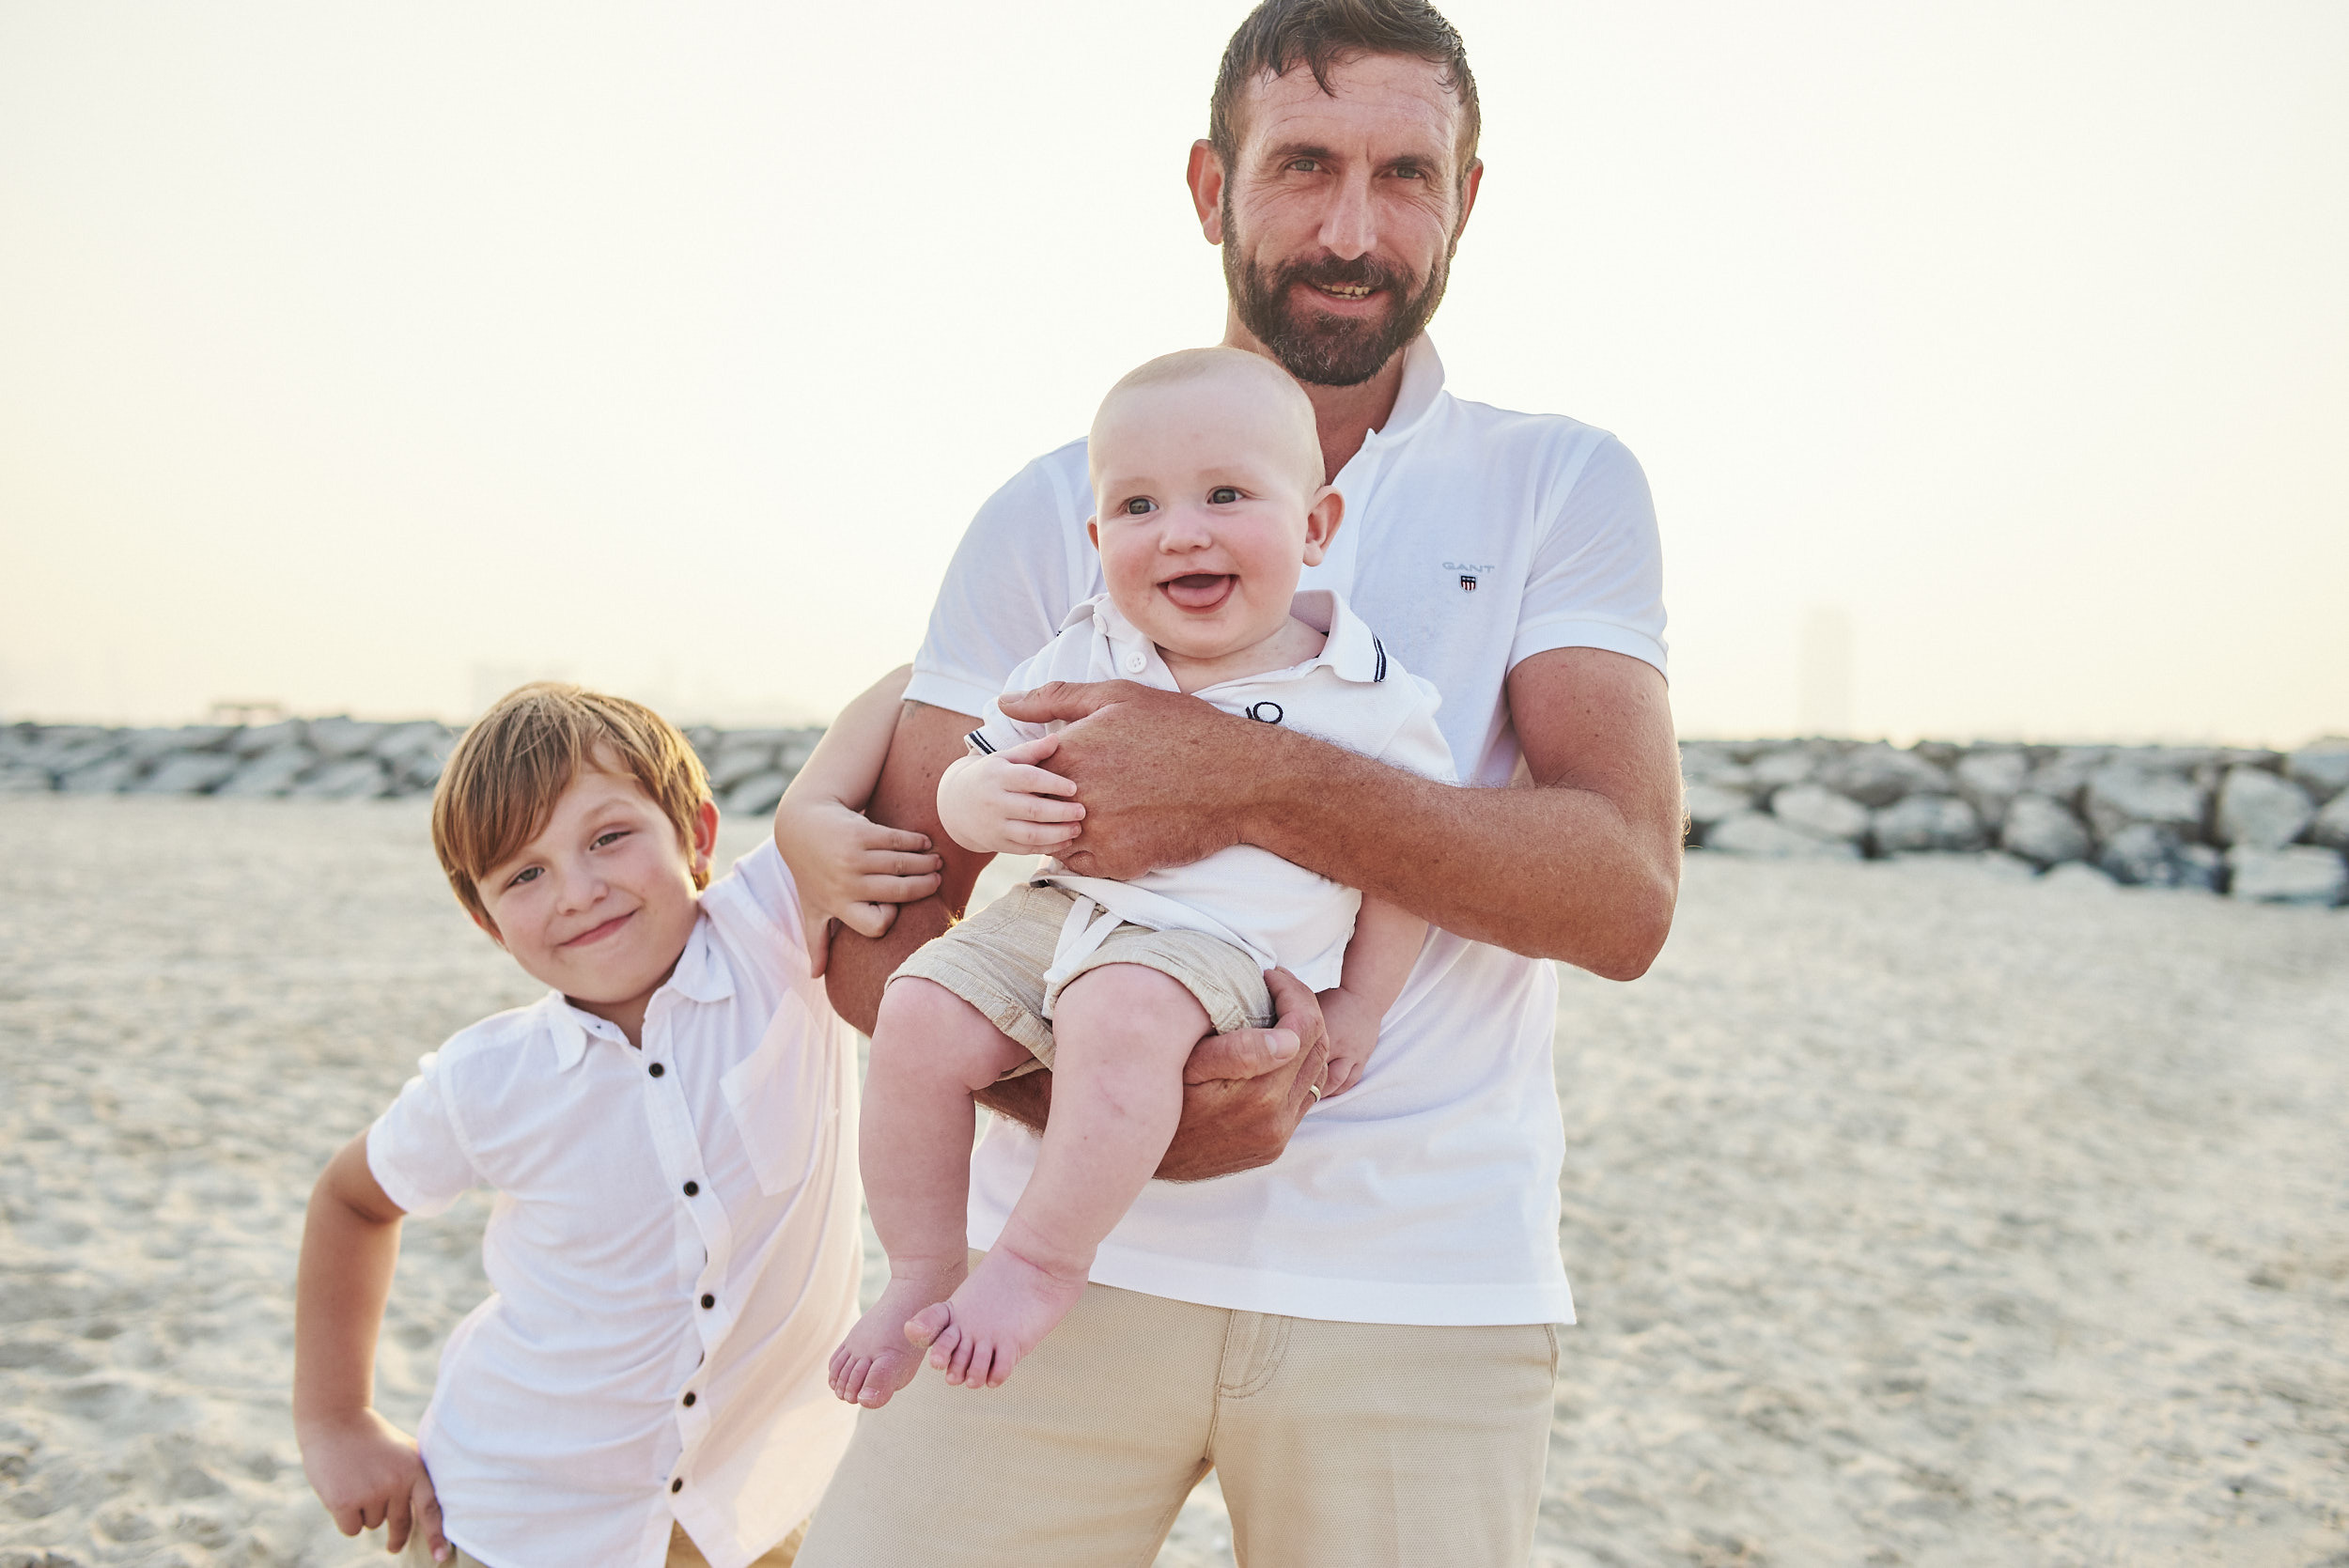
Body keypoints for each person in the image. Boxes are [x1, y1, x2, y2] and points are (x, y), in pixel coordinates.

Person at [784, 2, 1683, 1562]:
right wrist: (1105, 1098)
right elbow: (891, 936)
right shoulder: (1048, 512)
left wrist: (1251, 780)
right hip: (1037, 1275)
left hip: (1419, 1285)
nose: (1353, 227)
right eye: (1304, 167)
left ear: (1469, 196)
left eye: (1408, 174)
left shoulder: (1560, 484)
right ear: (1212, 187)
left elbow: (1622, 896)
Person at [829, 347, 1454, 1408]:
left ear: (1315, 527)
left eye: (1226, 495)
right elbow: (974, 776)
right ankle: (923, 1268)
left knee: (1119, 1007)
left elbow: (1412, 868)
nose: (1182, 530)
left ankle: (1037, 1263)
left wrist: (1361, 1003)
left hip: (1220, 945)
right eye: (1137, 506)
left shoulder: (1365, 691)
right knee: (919, 1007)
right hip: (1064, 906)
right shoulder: (1083, 651)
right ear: (1097, 540)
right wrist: (983, 804)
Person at [291, 676, 920, 1568]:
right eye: (526, 874)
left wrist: (806, 806)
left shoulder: (776, 930)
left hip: (752, 1508)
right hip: (519, 1517)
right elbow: (351, 1199)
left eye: (610, 837)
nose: (578, 890)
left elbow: (912, 682)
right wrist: (336, 1419)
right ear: (486, 921)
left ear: (697, 835)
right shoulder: (484, 1079)